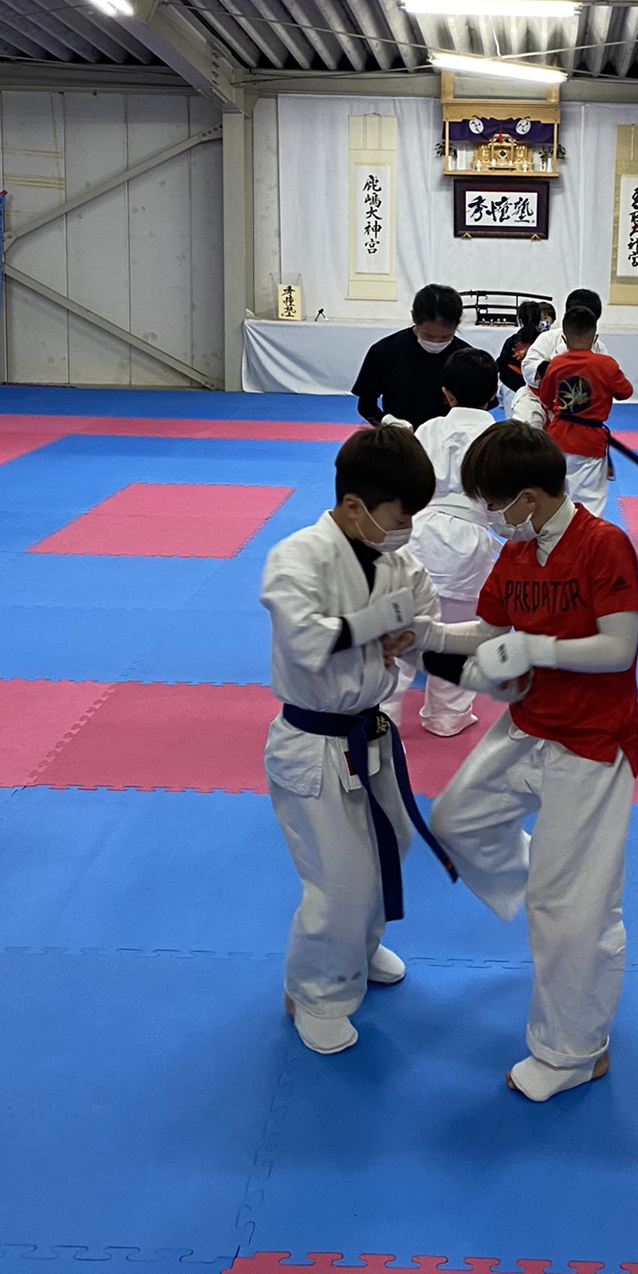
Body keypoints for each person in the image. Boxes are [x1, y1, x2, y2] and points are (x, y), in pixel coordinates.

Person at [420, 423, 638, 1103]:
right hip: (527, 724)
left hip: (592, 742)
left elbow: (619, 648)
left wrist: (537, 650)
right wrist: (423, 633)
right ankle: (557, 890)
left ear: (528, 498)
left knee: (571, 909)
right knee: (455, 819)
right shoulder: (515, 553)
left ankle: (574, 1053)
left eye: (493, 504)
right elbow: (487, 631)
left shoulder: (603, 543)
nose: (489, 516)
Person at [258, 424, 456, 1056]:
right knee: (339, 879)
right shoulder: (297, 557)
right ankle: (314, 993)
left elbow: (424, 620)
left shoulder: (398, 562)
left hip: (373, 730)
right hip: (313, 742)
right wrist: (381, 622)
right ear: (354, 505)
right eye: (401, 516)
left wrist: (413, 633)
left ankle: (357, 951)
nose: (408, 529)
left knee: (390, 846)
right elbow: (305, 640)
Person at [392, 346, 501, 738]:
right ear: (495, 393)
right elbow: (503, 504)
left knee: (400, 632)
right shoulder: (500, 438)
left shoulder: (428, 429)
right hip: (469, 545)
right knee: (458, 637)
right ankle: (447, 716)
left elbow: (407, 484)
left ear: (446, 393)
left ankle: (381, 712)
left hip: (418, 538)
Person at [535, 305, 634, 517]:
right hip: (590, 442)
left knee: (557, 498)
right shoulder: (606, 365)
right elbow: (625, 392)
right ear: (595, 338)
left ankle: (557, 534)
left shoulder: (556, 363)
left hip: (558, 438)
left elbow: (545, 397)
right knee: (589, 502)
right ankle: (585, 535)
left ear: (564, 339)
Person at [352, 284, 470, 429]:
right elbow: (366, 405)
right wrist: (387, 422)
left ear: (457, 324)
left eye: (446, 337)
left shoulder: (466, 358)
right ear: (414, 317)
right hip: (401, 437)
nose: (436, 342)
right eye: (428, 336)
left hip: (451, 436)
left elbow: (481, 405)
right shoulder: (384, 351)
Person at [521, 286, 607, 387]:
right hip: (539, 394)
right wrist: (545, 368)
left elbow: (607, 377)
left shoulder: (599, 347)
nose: (581, 326)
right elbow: (527, 366)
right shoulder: (548, 338)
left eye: (588, 322)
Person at [497, 298, 555, 412]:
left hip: (511, 387)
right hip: (536, 389)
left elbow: (501, 364)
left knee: (513, 422)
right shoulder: (545, 341)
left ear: (519, 320)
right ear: (539, 318)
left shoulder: (511, 340)